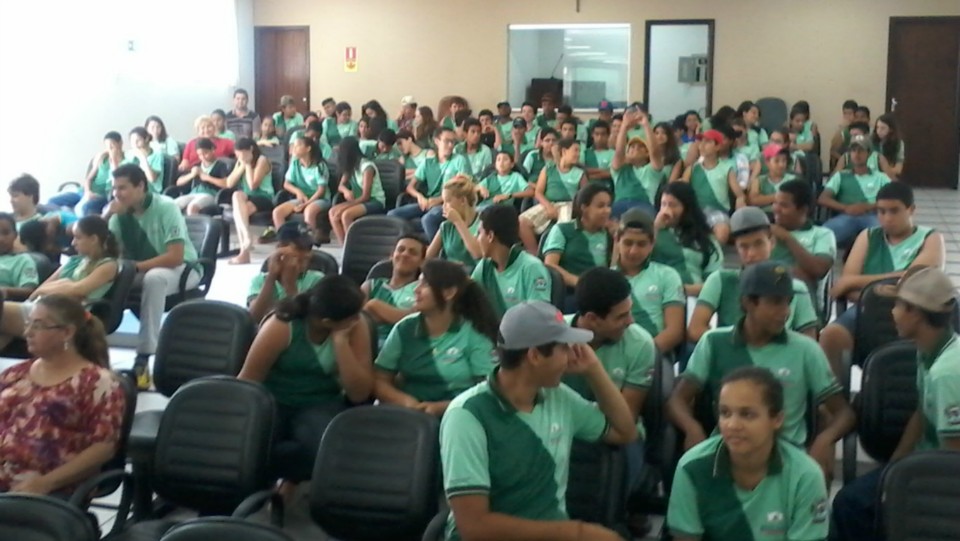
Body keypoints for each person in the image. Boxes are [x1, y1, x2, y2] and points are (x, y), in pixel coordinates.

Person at [440, 300, 636, 541]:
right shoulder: (467, 415)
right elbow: (474, 527)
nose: (571, 355)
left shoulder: (558, 397)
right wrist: (577, 533)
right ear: (534, 355)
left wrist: (594, 370)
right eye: (564, 348)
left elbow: (625, 432)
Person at [668, 261, 854, 478]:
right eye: (775, 302)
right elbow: (677, 400)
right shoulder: (714, 342)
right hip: (727, 454)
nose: (785, 312)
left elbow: (844, 413)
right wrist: (692, 428)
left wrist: (824, 440)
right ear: (748, 302)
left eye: (788, 302)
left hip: (787, 460)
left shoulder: (806, 350)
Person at [831, 267, 960, 541]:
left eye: (899, 305)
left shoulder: (947, 373)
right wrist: (893, 468)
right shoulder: (928, 351)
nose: (892, 313)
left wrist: (904, 488)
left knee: (850, 507)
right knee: (853, 500)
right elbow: (921, 414)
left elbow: (953, 461)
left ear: (916, 312)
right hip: (922, 464)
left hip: (940, 480)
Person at [239, 275, 373, 496]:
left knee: (324, 449)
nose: (358, 318)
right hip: (273, 401)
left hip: (321, 402)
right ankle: (271, 479)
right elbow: (247, 381)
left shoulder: (355, 325)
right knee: (252, 447)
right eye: (354, 315)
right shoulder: (281, 326)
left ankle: (291, 478)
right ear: (326, 321)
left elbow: (359, 394)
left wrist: (340, 342)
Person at [667, 367, 830, 541]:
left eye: (747, 414)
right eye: (725, 413)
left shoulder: (805, 476)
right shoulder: (691, 467)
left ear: (777, 419)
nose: (732, 425)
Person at [0, 294, 124, 495]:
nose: (28, 332)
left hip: (46, 487)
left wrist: (45, 483)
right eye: (29, 323)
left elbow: (103, 448)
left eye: (38, 326)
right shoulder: (15, 373)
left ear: (67, 332)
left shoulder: (96, 382)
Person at [819, 182, 944, 375]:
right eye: (881, 211)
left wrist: (863, 284)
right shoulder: (868, 236)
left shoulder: (930, 238)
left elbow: (919, 279)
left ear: (911, 210)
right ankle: (837, 402)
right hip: (868, 311)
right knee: (831, 336)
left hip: (917, 313)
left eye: (894, 211)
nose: (887, 218)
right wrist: (898, 280)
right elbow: (846, 286)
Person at [565, 268, 656, 505]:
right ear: (593, 319)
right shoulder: (553, 339)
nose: (631, 321)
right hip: (561, 426)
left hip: (617, 433)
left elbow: (625, 419)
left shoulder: (640, 343)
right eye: (621, 316)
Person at [108, 163, 200, 389]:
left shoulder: (166, 207)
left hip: (184, 269)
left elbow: (175, 257)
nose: (117, 194)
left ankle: (143, 358)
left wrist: (135, 268)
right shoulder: (119, 215)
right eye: (114, 189)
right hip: (141, 269)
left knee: (155, 278)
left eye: (123, 188)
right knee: (103, 277)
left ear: (141, 186)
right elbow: (105, 252)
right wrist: (106, 216)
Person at [374, 259, 499, 417]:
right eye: (417, 283)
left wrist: (442, 408)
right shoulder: (404, 328)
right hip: (407, 415)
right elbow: (380, 378)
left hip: (460, 415)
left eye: (425, 284)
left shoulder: (474, 332)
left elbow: (488, 392)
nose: (416, 290)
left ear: (449, 292)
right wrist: (407, 403)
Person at [689, 207, 819, 343]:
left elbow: (809, 342)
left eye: (759, 244)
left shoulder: (796, 288)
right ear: (736, 249)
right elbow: (695, 329)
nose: (751, 253)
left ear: (772, 243)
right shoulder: (720, 280)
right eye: (744, 247)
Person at [0, 216, 118, 348]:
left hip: (69, 314)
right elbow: (45, 285)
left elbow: (78, 290)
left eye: (78, 237)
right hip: (45, 306)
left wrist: (49, 289)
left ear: (93, 239)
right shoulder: (74, 261)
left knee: (2, 312)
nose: (73, 243)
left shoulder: (108, 265)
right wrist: (63, 285)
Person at [614, 208, 686, 354]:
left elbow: (674, 331)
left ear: (652, 244)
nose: (633, 251)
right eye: (628, 243)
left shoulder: (668, 275)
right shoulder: (604, 279)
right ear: (617, 241)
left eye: (641, 244)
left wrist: (643, 355)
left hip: (655, 354)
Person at [471, 203, 551, 318]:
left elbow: (539, 317)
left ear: (490, 236)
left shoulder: (532, 267)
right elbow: (467, 297)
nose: (476, 238)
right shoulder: (485, 265)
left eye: (479, 233)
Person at [389, 127, 471, 239]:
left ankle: (436, 253)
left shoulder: (459, 160)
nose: (451, 145)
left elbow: (463, 187)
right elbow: (410, 187)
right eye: (447, 141)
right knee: (392, 215)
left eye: (453, 142)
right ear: (437, 141)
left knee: (428, 219)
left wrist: (438, 200)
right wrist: (420, 197)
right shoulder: (428, 162)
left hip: (448, 203)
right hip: (427, 202)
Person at [771, 179, 837, 312]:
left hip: (805, 305)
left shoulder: (822, 234)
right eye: (775, 203)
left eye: (783, 205)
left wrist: (787, 238)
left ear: (803, 210)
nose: (776, 209)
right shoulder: (764, 233)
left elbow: (818, 270)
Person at [650, 181, 724, 296]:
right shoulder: (652, 234)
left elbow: (715, 282)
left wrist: (682, 290)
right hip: (656, 296)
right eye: (663, 204)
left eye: (673, 205)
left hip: (694, 298)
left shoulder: (705, 239)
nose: (666, 211)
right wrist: (655, 229)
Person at [818, 134, 892, 247]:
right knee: (822, 236)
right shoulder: (840, 176)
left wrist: (869, 206)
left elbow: (894, 198)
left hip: (873, 215)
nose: (857, 154)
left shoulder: (880, 177)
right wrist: (846, 208)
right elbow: (823, 199)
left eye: (861, 150)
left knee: (885, 236)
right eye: (853, 150)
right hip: (846, 216)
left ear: (869, 153)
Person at [542, 183, 613, 298]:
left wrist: (618, 239)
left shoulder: (610, 235)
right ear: (584, 208)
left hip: (603, 294)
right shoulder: (562, 230)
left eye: (608, 206)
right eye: (600, 206)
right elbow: (550, 265)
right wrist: (581, 283)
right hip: (570, 294)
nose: (607, 211)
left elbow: (615, 270)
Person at [518, 138, 587, 254]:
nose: (578, 154)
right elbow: (538, 192)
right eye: (575, 150)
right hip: (548, 204)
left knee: (562, 229)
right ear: (564, 151)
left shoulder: (580, 173)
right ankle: (535, 255)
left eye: (579, 151)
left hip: (569, 205)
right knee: (522, 221)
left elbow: (585, 196)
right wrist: (549, 206)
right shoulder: (548, 169)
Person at [682, 129, 745, 244]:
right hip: (695, 210)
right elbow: (681, 190)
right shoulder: (692, 169)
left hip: (717, 211)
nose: (702, 145)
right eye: (701, 141)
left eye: (707, 142)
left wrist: (740, 202)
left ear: (717, 147)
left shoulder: (727, 168)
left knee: (722, 233)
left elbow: (739, 194)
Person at [362, 233, 426, 343]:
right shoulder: (370, 285)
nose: (405, 254)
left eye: (413, 252)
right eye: (401, 249)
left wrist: (374, 305)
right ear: (392, 255)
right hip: (366, 345)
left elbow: (416, 322)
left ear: (422, 261)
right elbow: (356, 319)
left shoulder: (422, 289)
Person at [267, 135, 329, 243]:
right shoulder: (295, 163)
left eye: (298, 146)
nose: (294, 149)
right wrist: (298, 192)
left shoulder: (320, 166)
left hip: (320, 199)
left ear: (308, 148)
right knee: (277, 212)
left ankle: (308, 245)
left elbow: (321, 190)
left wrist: (306, 204)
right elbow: (286, 184)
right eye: (293, 146)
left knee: (309, 212)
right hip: (302, 198)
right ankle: (285, 244)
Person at [329, 136, 387, 244]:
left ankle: (353, 247)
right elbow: (340, 186)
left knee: (346, 215)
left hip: (374, 201)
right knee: (332, 212)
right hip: (358, 200)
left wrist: (345, 207)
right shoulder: (350, 166)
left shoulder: (367, 167)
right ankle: (344, 246)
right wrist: (346, 191)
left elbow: (366, 196)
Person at [225, 137, 274, 264]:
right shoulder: (240, 161)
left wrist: (247, 165)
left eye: (241, 153)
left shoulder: (262, 160)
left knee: (239, 212)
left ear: (250, 150)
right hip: (246, 198)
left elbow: (253, 185)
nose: (239, 157)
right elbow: (229, 183)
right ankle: (247, 238)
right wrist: (242, 165)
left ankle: (244, 253)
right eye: (237, 154)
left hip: (264, 197)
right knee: (236, 197)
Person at [611, 110, 664, 217]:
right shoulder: (620, 170)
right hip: (619, 205)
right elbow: (619, 152)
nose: (635, 149)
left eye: (640, 147)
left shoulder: (651, 171)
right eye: (631, 147)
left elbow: (655, 152)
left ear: (647, 154)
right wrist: (624, 127)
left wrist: (645, 124)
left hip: (643, 205)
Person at [426, 175, 482, 270]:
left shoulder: (482, 222)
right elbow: (428, 259)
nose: (443, 206)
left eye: (447, 201)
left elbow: (477, 254)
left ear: (463, 200)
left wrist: (458, 221)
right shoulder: (446, 226)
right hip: (449, 274)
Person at [172, 138, 228, 215]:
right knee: (172, 205)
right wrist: (191, 175)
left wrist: (207, 177)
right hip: (193, 193)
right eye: (200, 155)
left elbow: (226, 183)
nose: (203, 157)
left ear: (212, 150)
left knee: (192, 207)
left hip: (210, 194)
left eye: (205, 153)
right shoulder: (197, 165)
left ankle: (194, 226)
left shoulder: (221, 165)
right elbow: (178, 182)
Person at [76, 131, 124, 216]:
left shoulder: (126, 160)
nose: (109, 149)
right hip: (85, 191)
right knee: (52, 200)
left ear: (120, 143)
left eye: (112, 146)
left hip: (101, 196)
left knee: (83, 209)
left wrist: (114, 161)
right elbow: (88, 178)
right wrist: (88, 191)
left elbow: (116, 181)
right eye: (107, 146)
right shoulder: (102, 158)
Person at [748, 144, 798, 214]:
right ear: (767, 162)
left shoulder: (792, 179)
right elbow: (753, 200)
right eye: (776, 161)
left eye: (784, 161)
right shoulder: (758, 180)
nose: (781, 165)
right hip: (764, 216)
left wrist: (764, 199)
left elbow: (793, 199)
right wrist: (778, 197)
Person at [0, 213, 39, 301]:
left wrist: (4, 291)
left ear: (15, 235)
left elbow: (30, 290)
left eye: (5, 233)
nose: (1, 238)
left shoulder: (23, 260)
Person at [126, 127, 165, 194]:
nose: (135, 144)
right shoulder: (130, 154)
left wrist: (142, 158)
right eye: (132, 142)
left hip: (151, 191)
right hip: (133, 189)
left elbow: (152, 179)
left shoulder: (157, 155)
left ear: (146, 139)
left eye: (138, 140)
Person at [872, 113, 905, 180]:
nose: (879, 131)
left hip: (888, 175)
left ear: (891, 129)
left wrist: (885, 171)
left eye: (883, 128)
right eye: (877, 127)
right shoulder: (871, 141)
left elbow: (898, 169)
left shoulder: (898, 143)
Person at [829, 99, 859, 168]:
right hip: (845, 161)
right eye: (845, 113)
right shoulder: (841, 130)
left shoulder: (860, 128)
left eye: (849, 113)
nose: (847, 117)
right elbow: (833, 151)